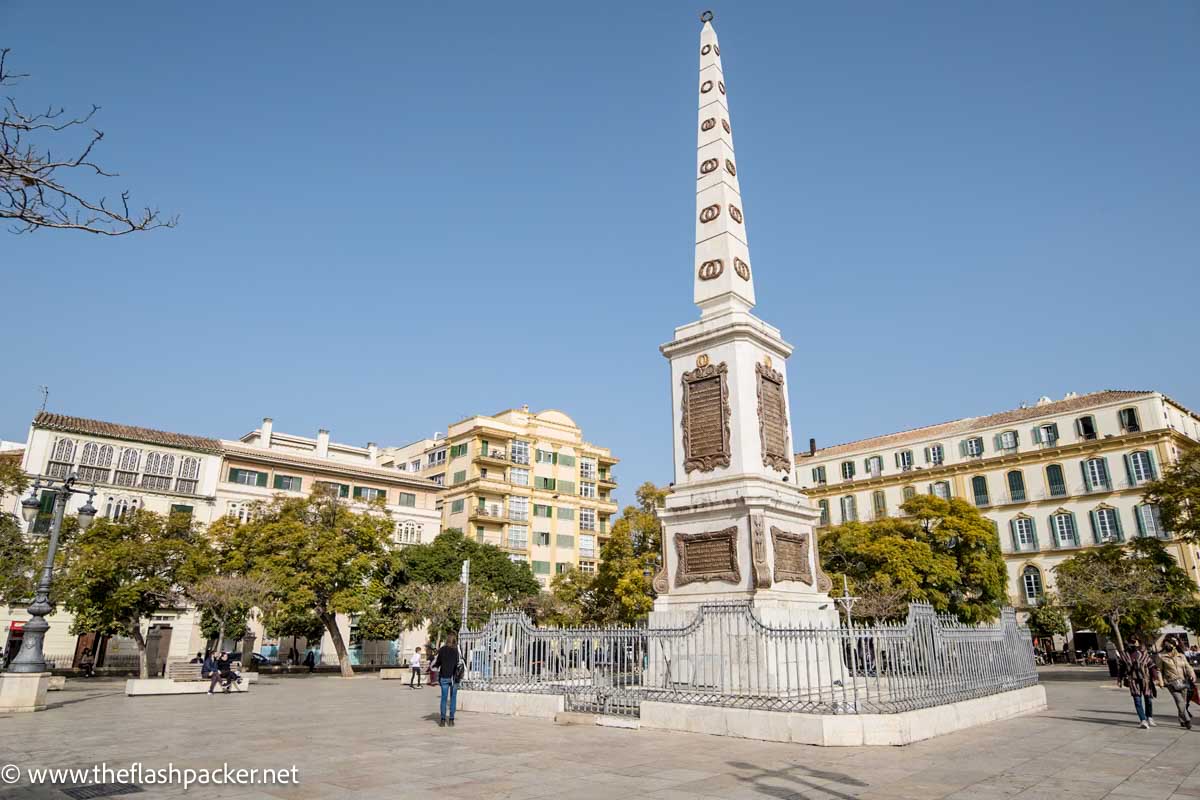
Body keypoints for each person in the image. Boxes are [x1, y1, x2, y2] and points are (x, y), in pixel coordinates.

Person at [1118, 638, 1160, 729]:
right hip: (1133, 680)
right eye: (1131, 642)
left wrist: (1155, 677)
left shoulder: (1144, 654)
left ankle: (1149, 717)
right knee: (1137, 700)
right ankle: (1143, 720)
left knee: (1148, 699)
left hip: (1146, 680)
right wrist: (1120, 679)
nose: (1132, 644)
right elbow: (1121, 668)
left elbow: (1151, 666)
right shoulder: (1124, 655)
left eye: (1134, 642)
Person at [1158, 637, 1195, 729]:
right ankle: (1187, 720)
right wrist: (1161, 682)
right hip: (1171, 682)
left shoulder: (1181, 656)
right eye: (1165, 644)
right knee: (1179, 701)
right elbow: (1159, 670)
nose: (1167, 646)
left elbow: (1188, 666)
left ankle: (1181, 719)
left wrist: (1192, 674)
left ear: (1174, 645)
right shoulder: (1161, 657)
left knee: (1183, 702)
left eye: (1169, 644)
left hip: (1183, 681)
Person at [431, 635, 461, 727]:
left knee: (444, 698)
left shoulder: (442, 649)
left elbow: (438, 662)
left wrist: (436, 665)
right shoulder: (456, 650)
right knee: (453, 698)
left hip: (444, 676)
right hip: (454, 677)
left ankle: (443, 720)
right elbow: (458, 663)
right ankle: (451, 720)